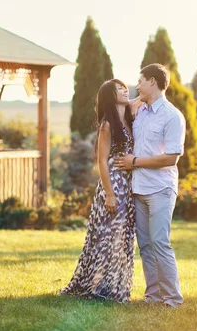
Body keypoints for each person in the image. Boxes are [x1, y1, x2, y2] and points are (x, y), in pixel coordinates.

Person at [115, 63, 186, 308]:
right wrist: (133, 101)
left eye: (141, 81)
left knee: (159, 242)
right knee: (145, 245)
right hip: (139, 189)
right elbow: (118, 110)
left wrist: (135, 162)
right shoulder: (140, 111)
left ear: (153, 82)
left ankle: (173, 298)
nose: (137, 85)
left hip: (161, 189)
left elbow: (171, 157)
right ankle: (153, 295)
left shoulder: (172, 116)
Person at [59, 79, 136, 303]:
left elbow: (140, 99)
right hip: (113, 185)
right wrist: (110, 194)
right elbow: (102, 162)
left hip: (128, 187)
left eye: (125, 87)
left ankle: (117, 288)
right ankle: (101, 287)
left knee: (123, 238)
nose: (124, 90)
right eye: (118, 89)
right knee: (109, 237)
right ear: (110, 97)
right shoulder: (107, 125)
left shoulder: (129, 119)